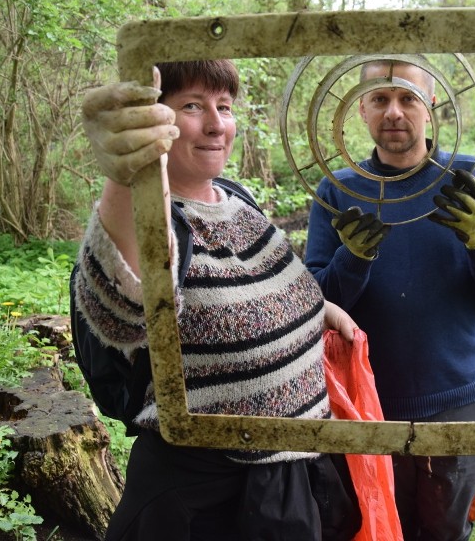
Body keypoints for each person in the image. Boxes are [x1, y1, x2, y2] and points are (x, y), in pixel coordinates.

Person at [72, 59, 361, 541]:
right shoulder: (160, 220)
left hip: (287, 480)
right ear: (154, 121)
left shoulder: (233, 197)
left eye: (223, 107)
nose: (215, 125)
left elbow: (257, 287)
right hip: (207, 505)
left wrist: (319, 310)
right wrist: (126, 178)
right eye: (191, 106)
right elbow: (124, 308)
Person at [305, 57, 475, 540]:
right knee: (368, 526)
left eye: (407, 98)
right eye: (380, 99)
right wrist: (354, 259)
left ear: (430, 106)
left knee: (445, 531)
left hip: (455, 405)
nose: (394, 112)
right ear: (361, 110)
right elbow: (312, 306)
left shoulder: (470, 179)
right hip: (362, 403)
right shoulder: (337, 189)